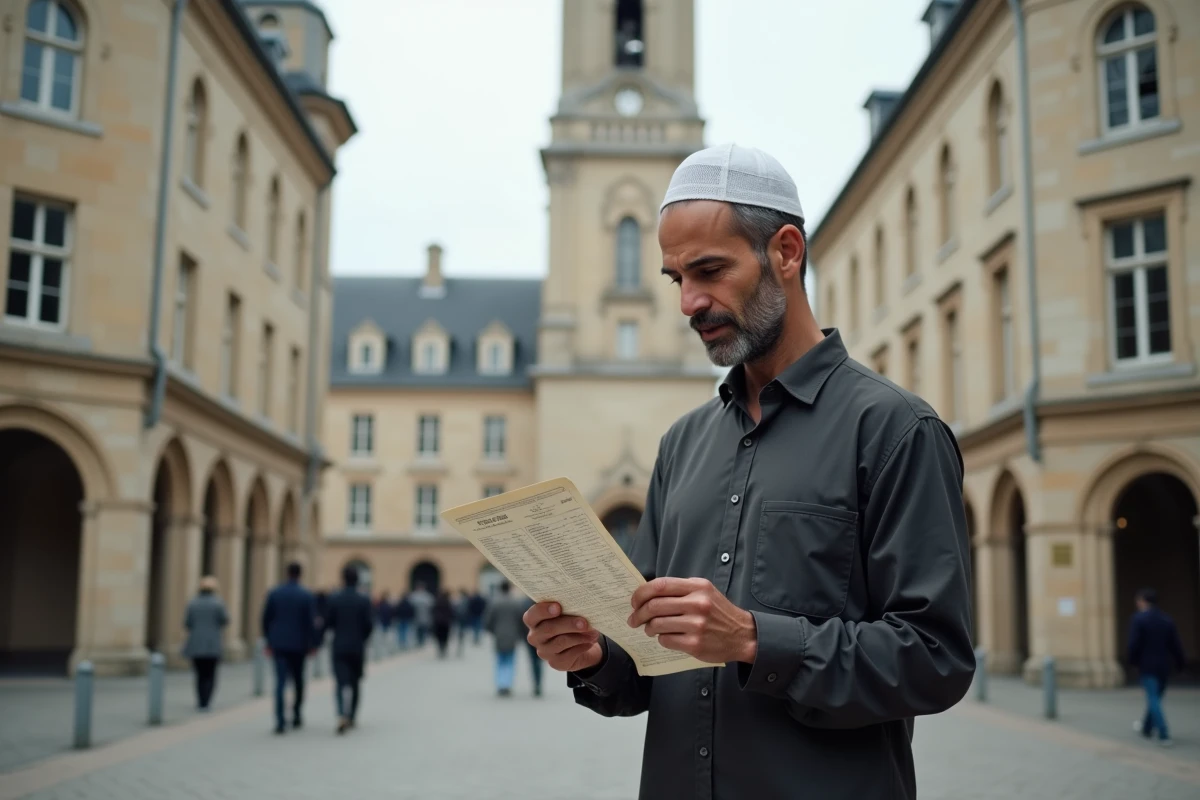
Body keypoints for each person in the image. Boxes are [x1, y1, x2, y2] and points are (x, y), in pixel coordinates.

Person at [524, 144, 974, 800]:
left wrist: (755, 639)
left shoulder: (896, 430)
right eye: (677, 279)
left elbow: (936, 659)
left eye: (709, 270)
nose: (689, 303)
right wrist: (595, 657)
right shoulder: (682, 445)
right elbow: (647, 660)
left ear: (786, 253)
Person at [262, 561, 319, 734]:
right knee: (298, 681)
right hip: (299, 645)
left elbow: (265, 619)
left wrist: (269, 641)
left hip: (278, 643)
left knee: (280, 683)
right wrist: (313, 644)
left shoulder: (275, 593)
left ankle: (279, 720)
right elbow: (310, 623)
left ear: (287, 573)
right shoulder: (306, 595)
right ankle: (296, 714)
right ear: (300, 574)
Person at [1127, 587, 1186, 746]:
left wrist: (1132, 662)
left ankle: (1164, 733)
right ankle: (1146, 728)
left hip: (1147, 666)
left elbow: (1134, 644)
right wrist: (1181, 664)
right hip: (1164, 666)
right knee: (1156, 698)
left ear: (1143, 601)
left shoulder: (1139, 619)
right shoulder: (1166, 619)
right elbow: (1175, 645)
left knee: (1153, 699)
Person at [325, 564, 375, 734]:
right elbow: (369, 625)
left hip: (339, 645)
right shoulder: (364, 599)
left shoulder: (334, 598)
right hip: (357, 647)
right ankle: (352, 716)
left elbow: (328, 623)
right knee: (355, 683)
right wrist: (362, 639)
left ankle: (341, 714)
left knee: (340, 683)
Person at [182, 575, 228, 711]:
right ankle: (206, 701)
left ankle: (200, 700)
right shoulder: (218, 603)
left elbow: (187, 622)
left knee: (199, 674)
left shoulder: (193, 603)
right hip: (212, 644)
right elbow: (225, 620)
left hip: (196, 643)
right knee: (210, 674)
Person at [484, 582, 528, 696]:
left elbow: (488, 620)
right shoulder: (516, 603)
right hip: (513, 635)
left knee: (500, 660)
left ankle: (500, 684)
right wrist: (522, 634)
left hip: (499, 635)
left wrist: (492, 630)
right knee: (510, 660)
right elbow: (522, 620)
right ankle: (507, 684)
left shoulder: (494, 603)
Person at [409, 582, 434, 648]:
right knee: (420, 630)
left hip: (422, 616)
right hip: (420, 617)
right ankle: (420, 641)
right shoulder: (426, 596)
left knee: (422, 630)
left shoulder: (414, 596)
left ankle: (421, 641)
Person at [431, 590, 455, 659]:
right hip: (446, 622)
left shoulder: (436, 602)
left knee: (439, 636)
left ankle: (440, 648)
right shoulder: (448, 602)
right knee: (445, 636)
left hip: (438, 622)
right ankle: (444, 648)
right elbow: (452, 612)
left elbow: (433, 611)